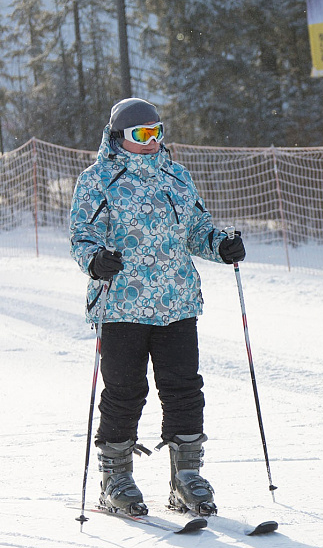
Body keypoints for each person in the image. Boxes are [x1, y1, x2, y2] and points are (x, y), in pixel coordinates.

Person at [69, 98, 246, 516]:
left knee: (184, 389)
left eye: (157, 132)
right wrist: (95, 260)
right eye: (140, 135)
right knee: (125, 392)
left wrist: (221, 244)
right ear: (118, 137)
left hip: (177, 301)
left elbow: (197, 228)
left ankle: (186, 478)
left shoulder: (176, 175)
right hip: (122, 305)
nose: (151, 142)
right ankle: (115, 479)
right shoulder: (98, 181)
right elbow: (82, 235)